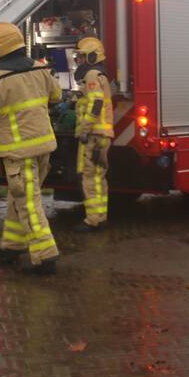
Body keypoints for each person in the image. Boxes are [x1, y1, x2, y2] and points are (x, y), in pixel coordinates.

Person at [0, 23, 62, 274]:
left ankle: (45, 256)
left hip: (19, 152)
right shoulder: (41, 69)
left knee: (29, 202)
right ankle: (12, 244)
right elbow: (56, 97)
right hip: (44, 146)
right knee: (18, 198)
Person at [72, 37, 113, 233]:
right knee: (99, 177)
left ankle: (92, 220)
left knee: (89, 177)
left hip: (93, 135)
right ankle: (101, 217)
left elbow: (96, 103)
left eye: (81, 57)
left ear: (91, 57)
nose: (78, 60)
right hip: (102, 135)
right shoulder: (100, 75)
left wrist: (85, 129)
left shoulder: (91, 75)